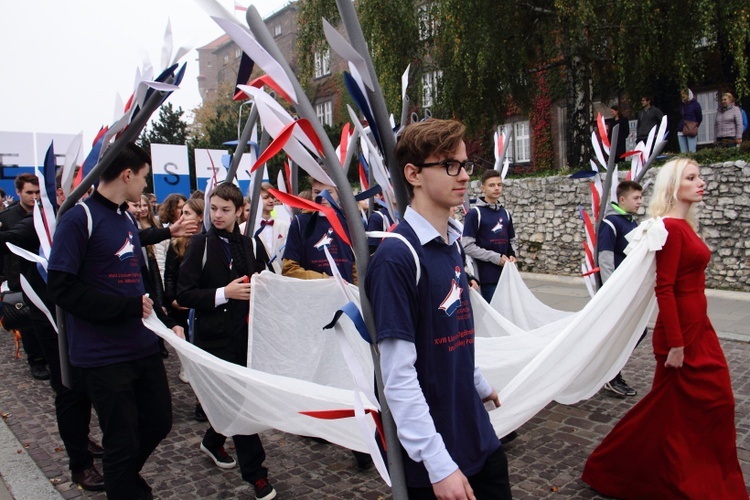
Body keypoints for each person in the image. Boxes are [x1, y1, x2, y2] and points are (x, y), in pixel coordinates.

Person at [582, 158, 747, 498]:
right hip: (682, 334)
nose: (700, 182)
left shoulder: (684, 226)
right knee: (711, 403)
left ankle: (676, 473)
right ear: (674, 186)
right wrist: (676, 343)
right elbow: (665, 287)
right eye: (691, 177)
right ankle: (622, 467)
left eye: (699, 176)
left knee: (675, 412)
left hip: (699, 326)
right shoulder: (670, 228)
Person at [366, 118, 511, 499]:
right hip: (438, 455)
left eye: (465, 164)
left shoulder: (453, 241)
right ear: (413, 173)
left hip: (475, 431)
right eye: (449, 165)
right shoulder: (397, 258)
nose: (462, 175)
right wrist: (437, 463)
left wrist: (477, 383)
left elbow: (452, 331)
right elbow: (396, 376)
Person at [48, 142, 178, 500]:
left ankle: (123, 477)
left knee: (158, 422)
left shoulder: (124, 218)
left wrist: (165, 321)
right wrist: (125, 307)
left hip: (142, 345)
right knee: (121, 439)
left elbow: (136, 280)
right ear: (127, 174)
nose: (145, 186)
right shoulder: (79, 218)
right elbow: (61, 287)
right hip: (103, 355)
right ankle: (125, 486)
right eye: (144, 177)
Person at [176, 182, 277, 500]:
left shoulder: (250, 243)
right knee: (239, 405)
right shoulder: (200, 245)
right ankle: (257, 475)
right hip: (214, 338)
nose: (217, 215)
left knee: (235, 401)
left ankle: (213, 439)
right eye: (213, 208)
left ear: (239, 211)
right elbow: (183, 294)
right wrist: (224, 294)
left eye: (225, 209)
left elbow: (266, 282)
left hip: (246, 336)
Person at [0, 172, 49, 381]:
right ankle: (36, 361)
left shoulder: (47, 213)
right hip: (18, 277)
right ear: (18, 192)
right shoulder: (7, 217)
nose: (34, 196)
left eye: (38, 192)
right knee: (26, 321)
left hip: (44, 274)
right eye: (29, 192)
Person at [597, 180, 643, 397]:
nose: (639, 202)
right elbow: (605, 259)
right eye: (636, 198)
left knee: (637, 330)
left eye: (640, 197)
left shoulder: (632, 222)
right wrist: (612, 291)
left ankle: (610, 371)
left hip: (630, 288)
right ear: (622, 199)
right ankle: (610, 374)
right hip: (617, 291)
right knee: (625, 331)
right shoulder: (611, 223)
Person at [282, 178, 356, 284]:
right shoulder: (300, 222)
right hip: (315, 295)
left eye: (328, 192)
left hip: (348, 295)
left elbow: (356, 266)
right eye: (317, 192)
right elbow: (289, 269)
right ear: (312, 193)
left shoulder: (349, 222)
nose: (322, 197)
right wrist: (325, 280)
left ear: (337, 193)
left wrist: (358, 293)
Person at [462, 169, 517, 303]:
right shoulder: (474, 214)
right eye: (492, 185)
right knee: (494, 317)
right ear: (483, 188)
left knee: (508, 316)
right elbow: (467, 246)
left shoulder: (505, 213)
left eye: (499, 184)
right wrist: (496, 258)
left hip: (506, 276)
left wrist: (512, 256)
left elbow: (511, 242)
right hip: (487, 278)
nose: (496, 188)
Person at [252, 184, 289, 274]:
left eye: (272, 197)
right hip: (258, 277)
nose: (271, 200)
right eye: (266, 197)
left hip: (282, 277)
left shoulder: (284, 226)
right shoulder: (245, 228)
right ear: (256, 199)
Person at [677, 88, 702, 153]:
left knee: (692, 151)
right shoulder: (681, 105)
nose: (682, 95)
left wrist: (694, 125)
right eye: (681, 94)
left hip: (691, 129)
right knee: (683, 153)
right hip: (681, 129)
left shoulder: (695, 104)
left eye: (684, 94)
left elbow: (699, 117)